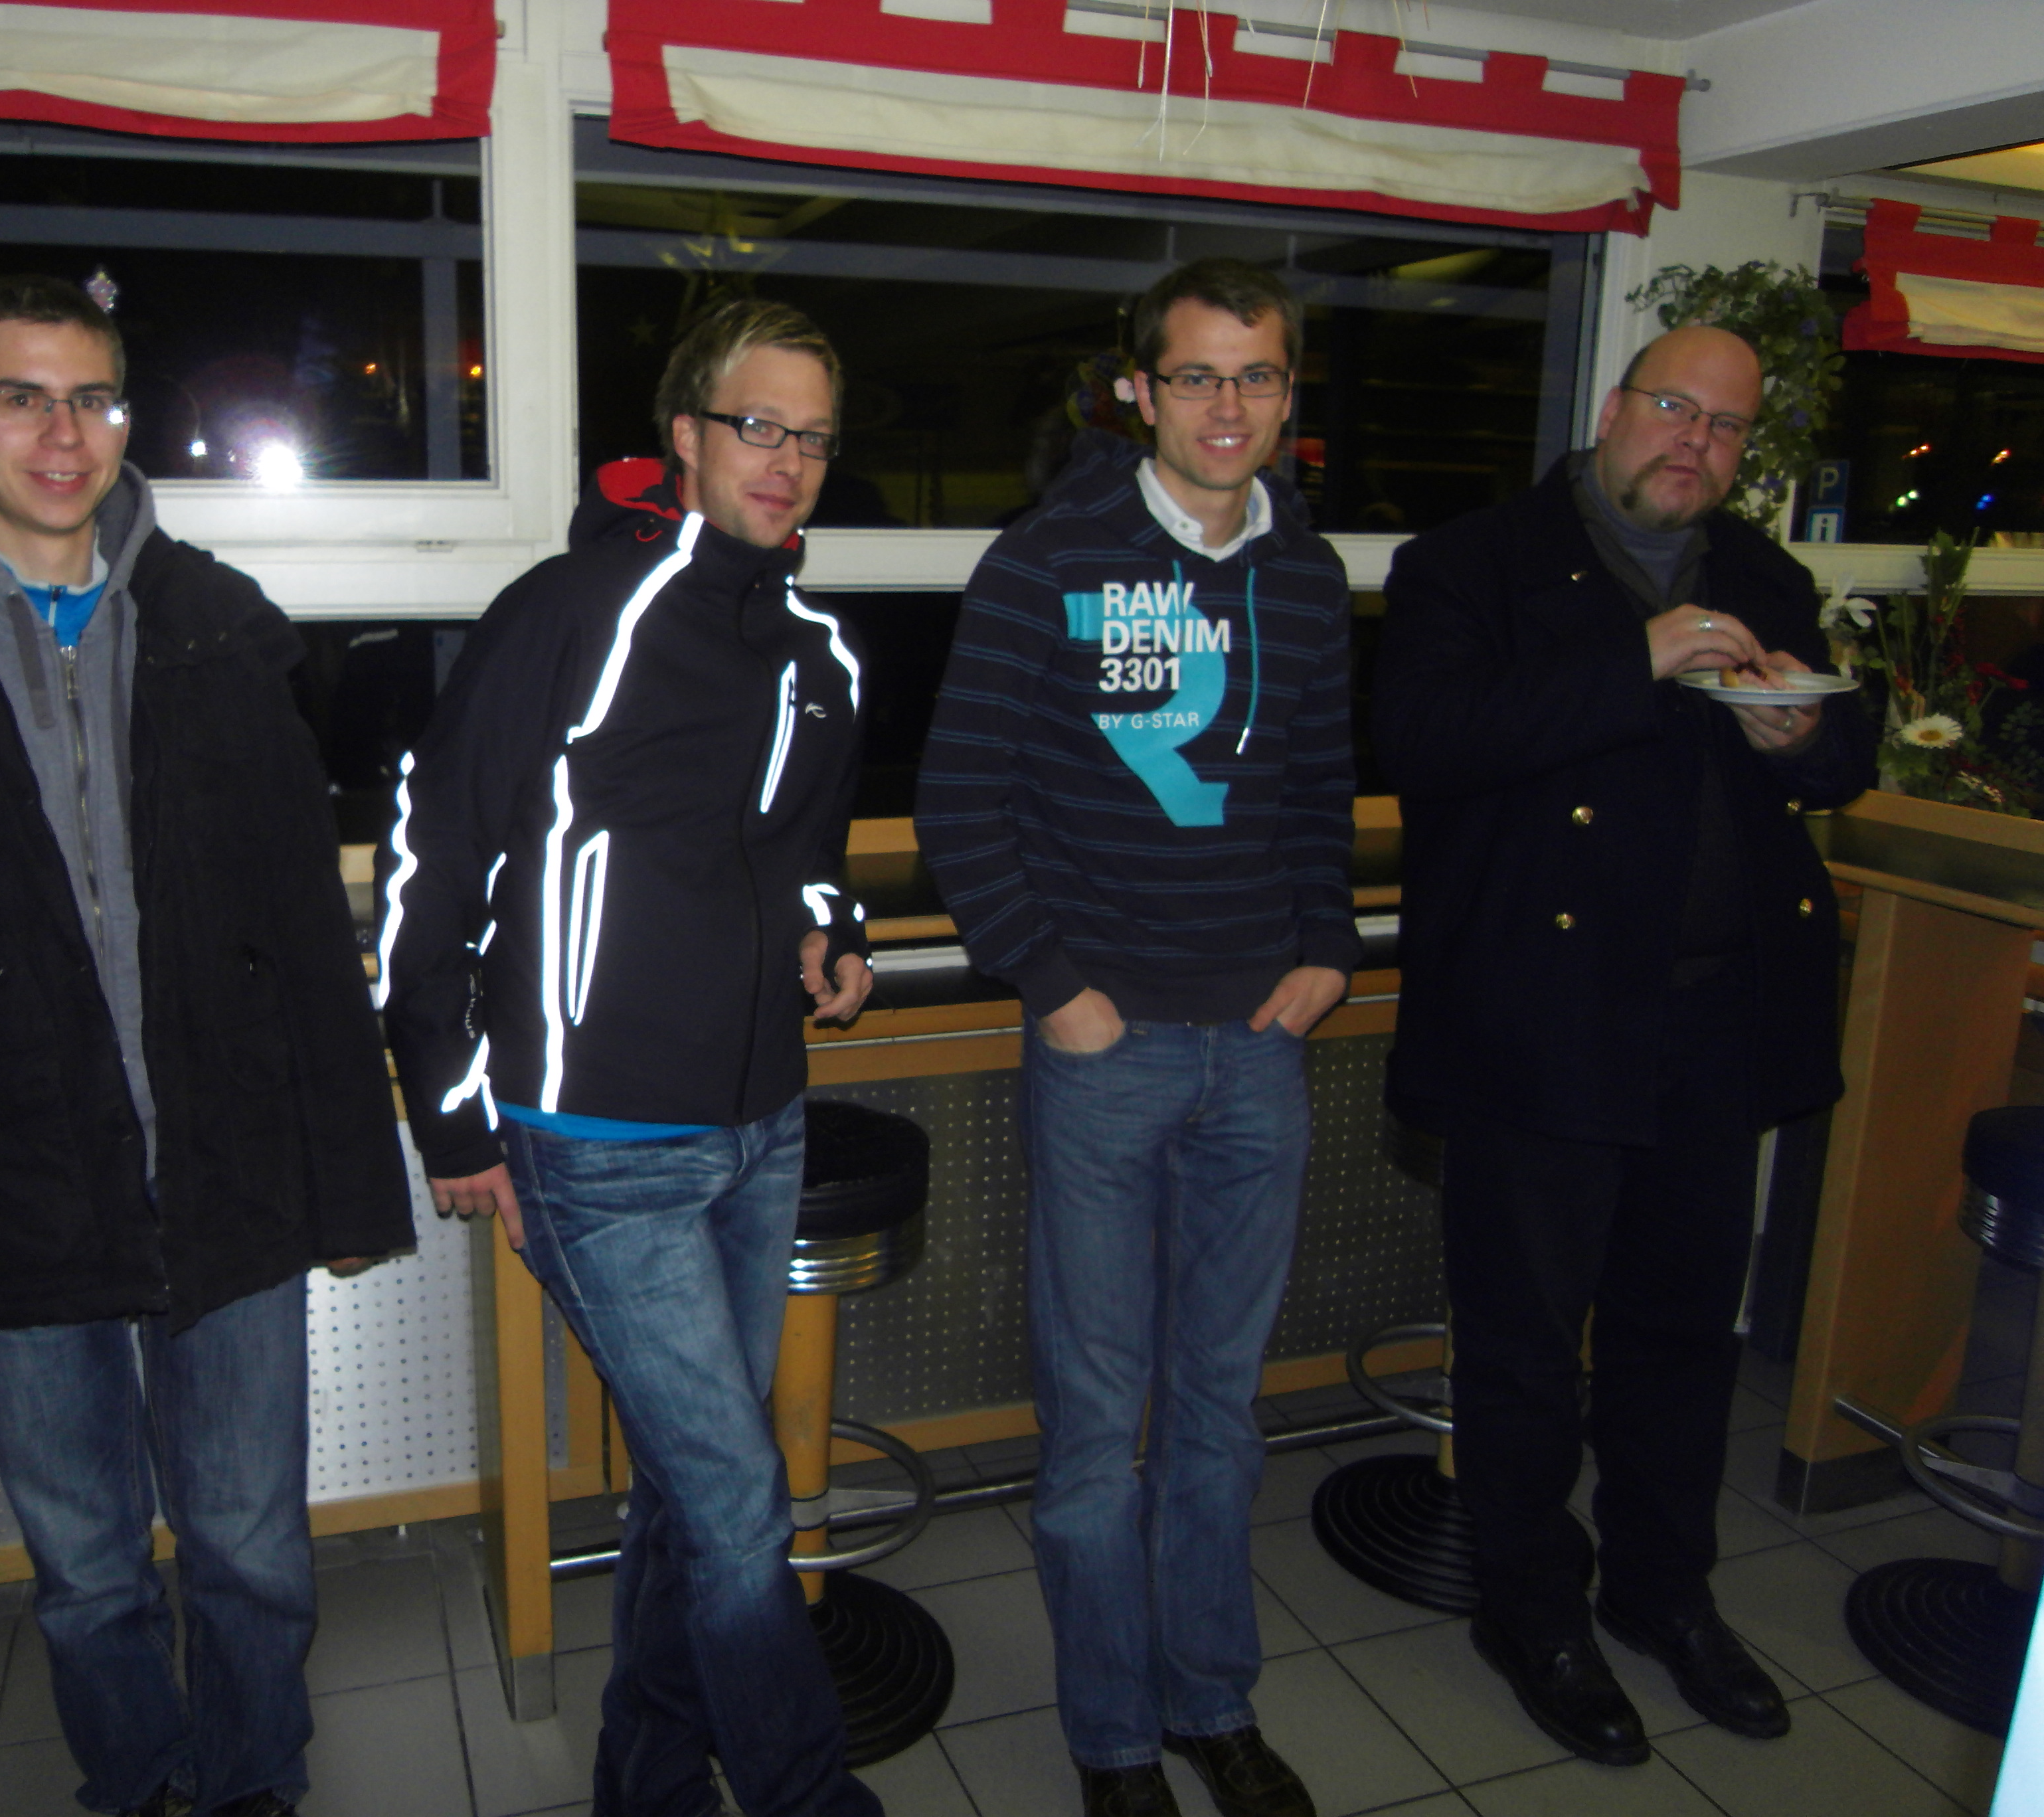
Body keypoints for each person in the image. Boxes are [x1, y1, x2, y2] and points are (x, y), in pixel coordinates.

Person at [0, 274, 414, 1817]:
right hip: (10, 1196)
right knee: (86, 1570)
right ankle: (138, 1784)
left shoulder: (218, 633)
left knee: (252, 1547)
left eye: (94, 398)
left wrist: (349, 1182)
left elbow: (306, 937)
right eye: (22, 397)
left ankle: (253, 1785)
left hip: (226, 1171)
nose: (63, 435)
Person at [378, 298, 879, 1817]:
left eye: (812, 437)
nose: (785, 460)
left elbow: (808, 856)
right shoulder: (575, 612)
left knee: (689, 1487)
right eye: (756, 425)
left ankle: (649, 1786)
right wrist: (453, 1118)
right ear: (686, 435)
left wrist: (834, 935)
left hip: (762, 1126)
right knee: (741, 1499)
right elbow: (432, 852)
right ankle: (809, 1796)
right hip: (596, 1140)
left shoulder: (818, 651)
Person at [1373, 325, 1876, 1766]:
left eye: (1726, 427)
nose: (1694, 443)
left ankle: (1666, 1592)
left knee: (1683, 1339)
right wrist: (1633, 658)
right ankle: (1532, 1610)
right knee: (1527, 1353)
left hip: (1713, 1025)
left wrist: (1803, 740)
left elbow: (1847, 753)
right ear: (1613, 409)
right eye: (1673, 409)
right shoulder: (1472, 562)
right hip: (1541, 1024)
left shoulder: (1764, 575)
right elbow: (1422, 739)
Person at [916, 258, 1356, 1817]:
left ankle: (1211, 1703)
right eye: (1197, 376)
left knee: (1222, 1418)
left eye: (1258, 376)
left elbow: (1319, 791)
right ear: (1138, 392)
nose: (1228, 406)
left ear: (1288, 394)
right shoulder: (1047, 560)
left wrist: (1328, 948)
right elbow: (960, 801)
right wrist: (1056, 985)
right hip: (1106, 1056)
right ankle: (1114, 1742)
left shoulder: (1306, 575)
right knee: (1100, 1430)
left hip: (1260, 1050)